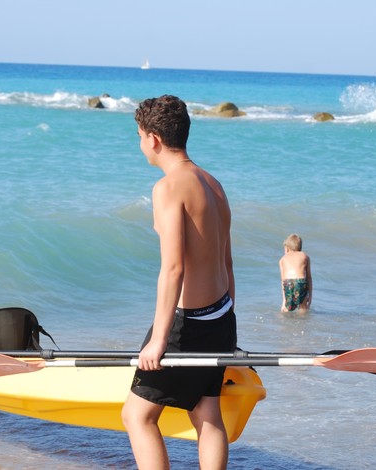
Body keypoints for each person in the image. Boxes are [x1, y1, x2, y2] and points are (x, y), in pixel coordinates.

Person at [121, 95, 236, 470]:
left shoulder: (168, 188)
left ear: (153, 139)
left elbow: (173, 269)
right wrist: (227, 329)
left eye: (139, 135)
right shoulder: (213, 183)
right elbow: (227, 262)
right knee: (206, 414)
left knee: (136, 416)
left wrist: (158, 340)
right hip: (221, 314)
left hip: (187, 325)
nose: (139, 145)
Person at [279, 233, 312, 313]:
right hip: (301, 283)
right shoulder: (304, 256)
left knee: (287, 309)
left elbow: (283, 281)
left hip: (288, 283)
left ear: (287, 248)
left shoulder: (282, 260)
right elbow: (309, 278)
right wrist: (310, 296)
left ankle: (285, 324)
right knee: (303, 308)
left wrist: (284, 301)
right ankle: (303, 323)